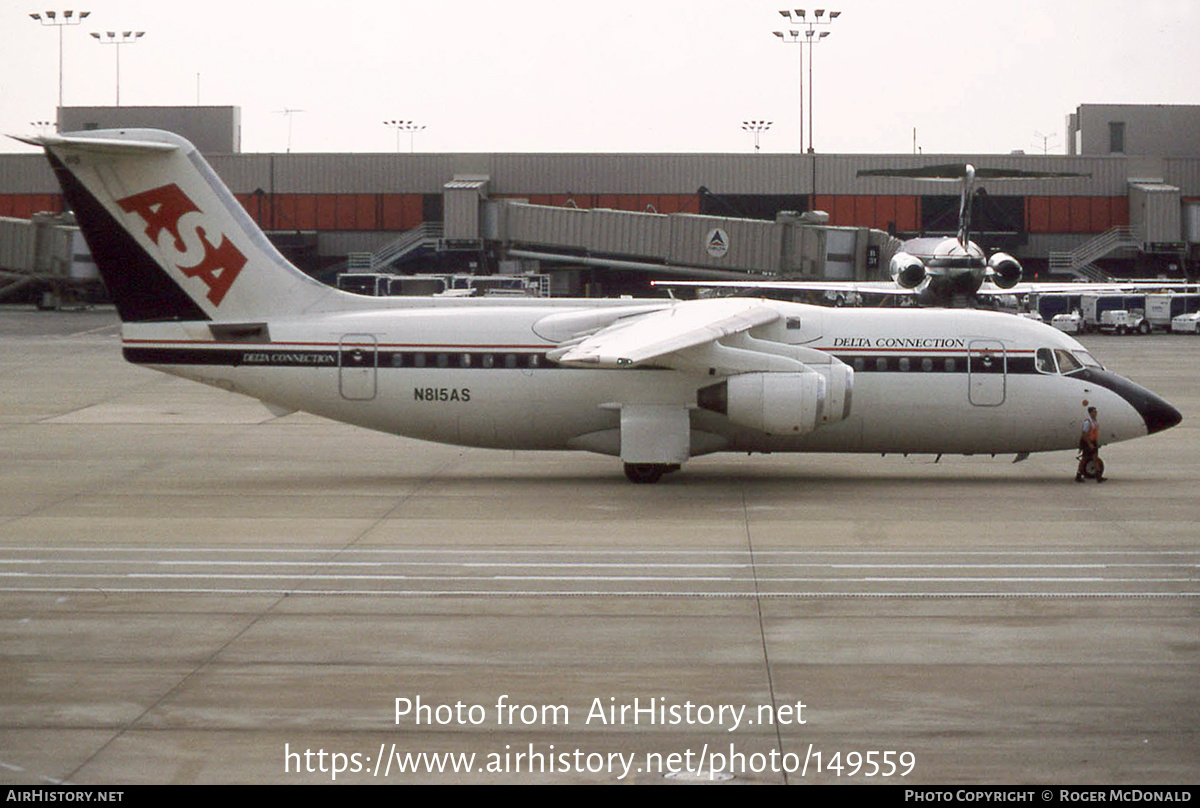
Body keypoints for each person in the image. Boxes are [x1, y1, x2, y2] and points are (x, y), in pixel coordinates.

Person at [1076, 406, 1105, 483]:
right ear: (1090, 413)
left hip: (1093, 442)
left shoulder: (1095, 421)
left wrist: (1095, 442)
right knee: (1085, 459)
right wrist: (1089, 444)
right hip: (1087, 442)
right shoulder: (1087, 422)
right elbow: (1084, 434)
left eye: (1096, 412)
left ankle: (1098, 477)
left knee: (1095, 458)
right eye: (1094, 412)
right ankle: (1078, 475)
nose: (1096, 413)